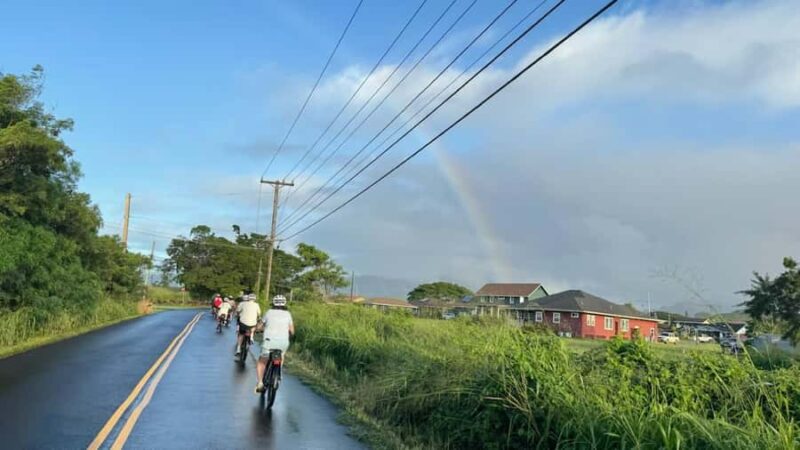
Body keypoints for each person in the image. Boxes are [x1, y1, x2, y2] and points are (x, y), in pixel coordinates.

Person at [255, 295, 294, 393]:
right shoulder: (288, 314)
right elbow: (292, 331)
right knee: (282, 355)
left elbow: (259, 326)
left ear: (273, 303)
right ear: (284, 303)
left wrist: (258, 329)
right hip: (283, 342)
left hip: (269, 342)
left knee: (262, 361)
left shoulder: (269, 312)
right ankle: (279, 372)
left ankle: (260, 383)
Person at [235, 293, 261, 358]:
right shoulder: (256, 305)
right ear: (255, 299)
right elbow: (259, 313)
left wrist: (238, 314)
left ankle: (238, 349)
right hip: (252, 324)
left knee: (241, 334)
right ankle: (251, 337)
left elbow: (238, 311)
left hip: (243, 323)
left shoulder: (242, 304)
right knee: (254, 326)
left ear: (248, 298)